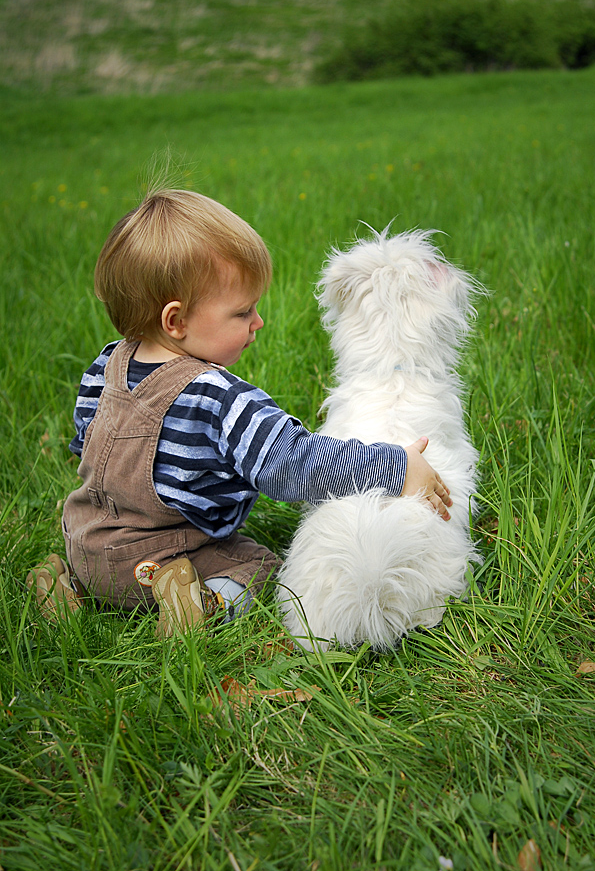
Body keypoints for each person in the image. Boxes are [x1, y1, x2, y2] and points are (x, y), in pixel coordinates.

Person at [26, 188, 452, 636]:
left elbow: (84, 444)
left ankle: (66, 584)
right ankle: (205, 606)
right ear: (176, 322)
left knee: (98, 562)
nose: (258, 322)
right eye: (242, 311)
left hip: (87, 544)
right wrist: (396, 466)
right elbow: (296, 464)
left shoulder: (105, 366)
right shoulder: (221, 401)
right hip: (155, 564)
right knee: (260, 564)